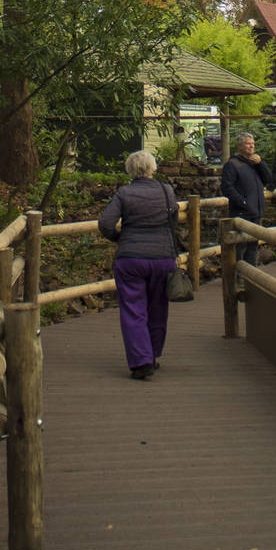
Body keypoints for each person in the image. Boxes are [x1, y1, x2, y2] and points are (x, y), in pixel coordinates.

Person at [98, 149, 178, 380]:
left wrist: (119, 238)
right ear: (153, 168)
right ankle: (152, 354)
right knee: (158, 308)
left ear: (130, 170)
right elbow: (173, 221)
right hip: (162, 257)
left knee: (134, 309)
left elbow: (105, 223)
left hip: (131, 258)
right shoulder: (166, 191)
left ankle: (141, 360)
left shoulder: (124, 193)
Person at [220, 131, 273, 266]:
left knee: (253, 247)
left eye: (253, 144)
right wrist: (243, 202)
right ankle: (237, 278)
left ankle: (251, 278)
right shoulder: (232, 164)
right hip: (241, 213)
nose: (251, 147)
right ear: (240, 146)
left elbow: (268, 180)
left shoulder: (255, 163)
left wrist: (261, 164)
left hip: (256, 212)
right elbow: (227, 187)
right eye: (248, 144)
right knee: (240, 247)